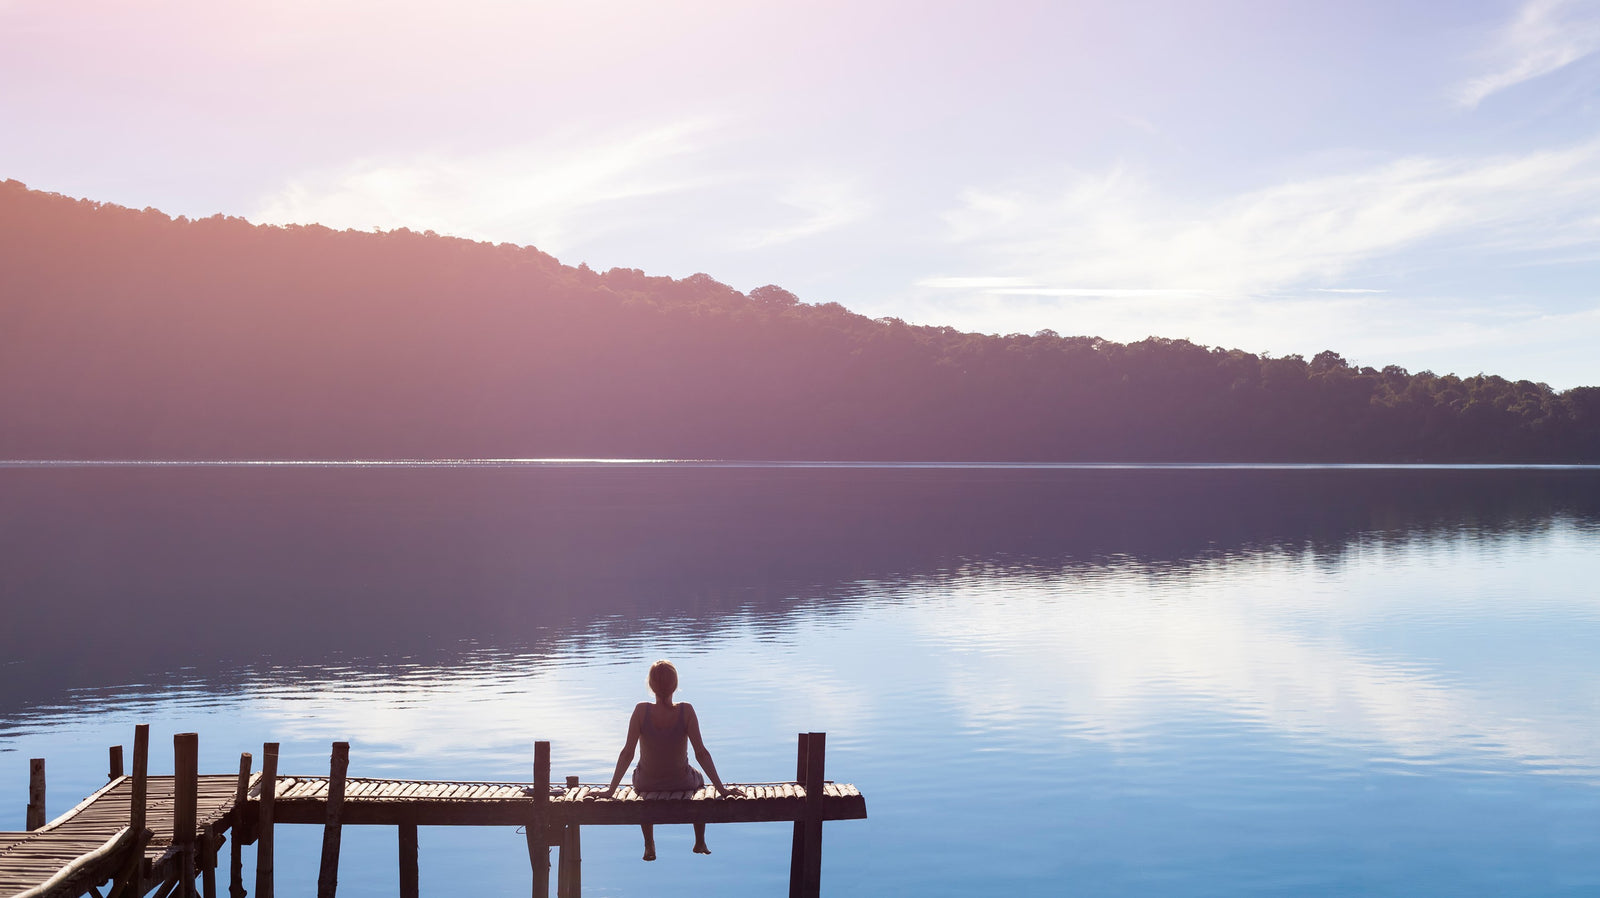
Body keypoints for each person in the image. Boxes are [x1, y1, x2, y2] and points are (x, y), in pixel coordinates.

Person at [589, 659, 743, 859]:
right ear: (675, 685)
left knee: (642, 788)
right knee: (701, 779)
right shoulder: (686, 710)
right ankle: (699, 840)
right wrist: (722, 790)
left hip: (646, 783)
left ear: (651, 686)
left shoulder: (640, 711)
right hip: (682, 781)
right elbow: (701, 753)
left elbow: (627, 753)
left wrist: (611, 790)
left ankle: (649, 844)